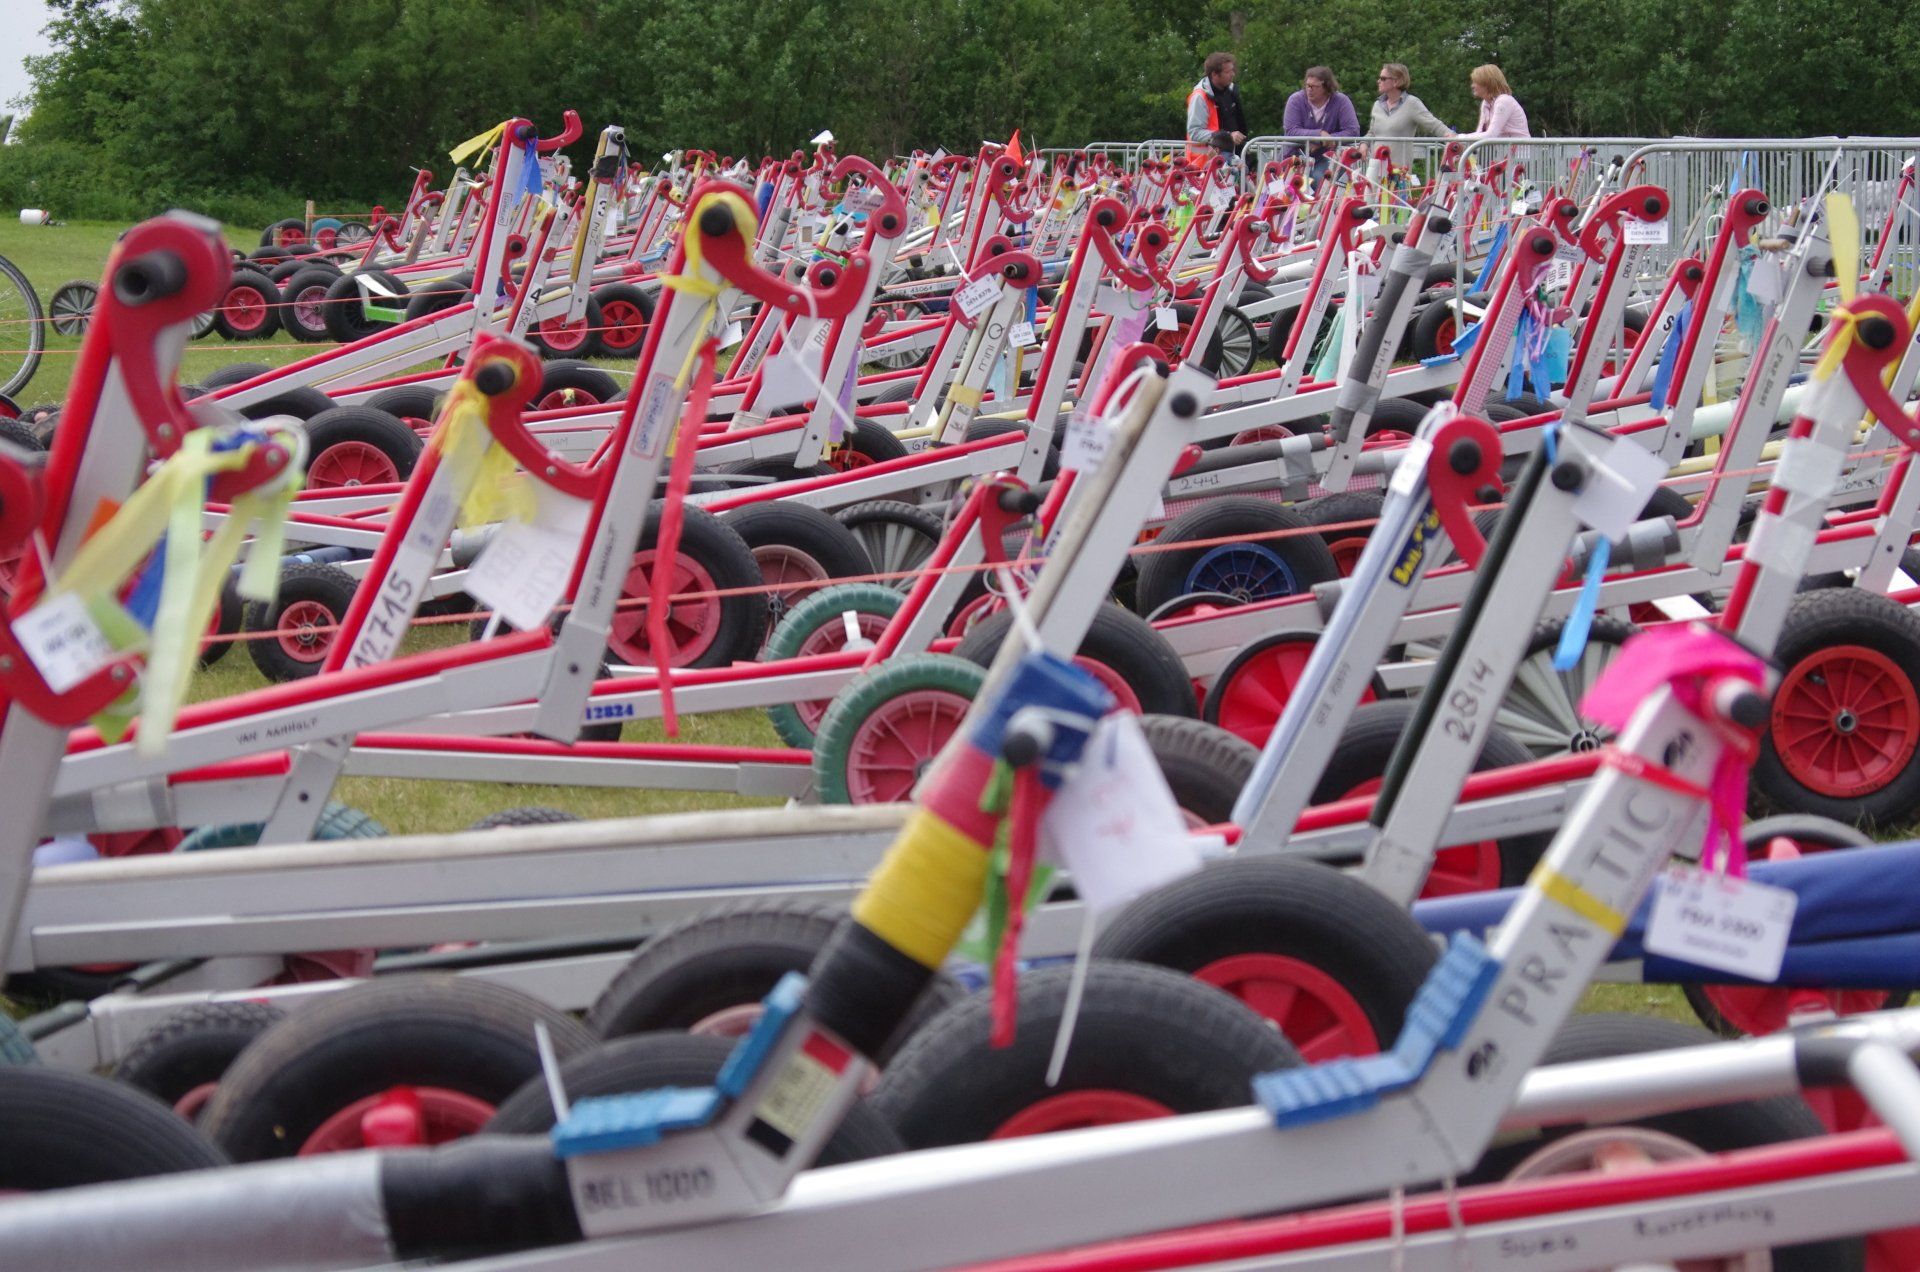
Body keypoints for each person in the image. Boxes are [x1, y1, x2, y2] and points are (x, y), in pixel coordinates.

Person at [1282, 66, 1360, 183]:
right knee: (1282, 188)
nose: (1309, 89)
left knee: (1318, 181)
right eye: (1307, 85)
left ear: (1327, 87)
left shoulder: (1341, 101)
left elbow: (1353, 131)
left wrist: (1326, 140)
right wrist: (1319, 134)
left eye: (1314, 86)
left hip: (1326, 158)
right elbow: (1291, 130)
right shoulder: (1295, 100)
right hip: (1293, 156)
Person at [1368, 63, 1451, 166]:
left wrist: (1452, 138)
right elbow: (1372, 133)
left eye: (1383, 78)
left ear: (1396, 82)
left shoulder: (1412, 103)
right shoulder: (1377, 105)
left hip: (1399, 173)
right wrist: (1363, 144)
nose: (1378, 81)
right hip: (1375, 169)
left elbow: (1434, 124)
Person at [1185, 52, 1247, 166]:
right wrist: (1228, 136)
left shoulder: (1232, 92)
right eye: (1228, 72)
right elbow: (1195, 132)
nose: (1233, 74)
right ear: (1214, 74)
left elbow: (1240, 127)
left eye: (1233, 70)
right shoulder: (1200, 97)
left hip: (1229, 163)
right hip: (1202, 167)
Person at [1462, 64, 1529, 138]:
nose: (1472, 86)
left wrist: (1459, 138)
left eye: (1475, 82)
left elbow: (1491, 135)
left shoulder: (1504, 101)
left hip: (1520, 149)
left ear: (1487, 83)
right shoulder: (1486, 103)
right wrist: (1457, 138)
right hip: (1504, 149)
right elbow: (1480, 133)